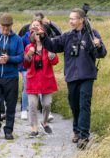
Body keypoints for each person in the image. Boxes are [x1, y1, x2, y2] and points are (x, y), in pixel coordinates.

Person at [40, 8, 106, 149]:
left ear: (81, 20)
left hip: (87, 76)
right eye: (69, 19)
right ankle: (76, 130)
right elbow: (53, 45)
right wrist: (43, 37)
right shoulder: (67, 36)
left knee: (84, 105)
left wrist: (99, 45)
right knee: (74, 105)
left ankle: (83, 136)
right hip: (71, 76)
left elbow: (101, 53)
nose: (70, 21)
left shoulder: (92, 34)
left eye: (73, 19)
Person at [23, 20, 59, 138]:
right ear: (33, 35)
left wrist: (51, 55)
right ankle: (34, 128)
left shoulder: (49, 46)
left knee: (47, 104)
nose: (38, 36)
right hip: (32, 80)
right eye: (36, 34)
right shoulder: (29, 47)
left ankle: (44, 122)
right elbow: (25, 65)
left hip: (46, 80)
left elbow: (55, 62)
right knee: (32, 105)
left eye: (40, 33)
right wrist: (29, 54)